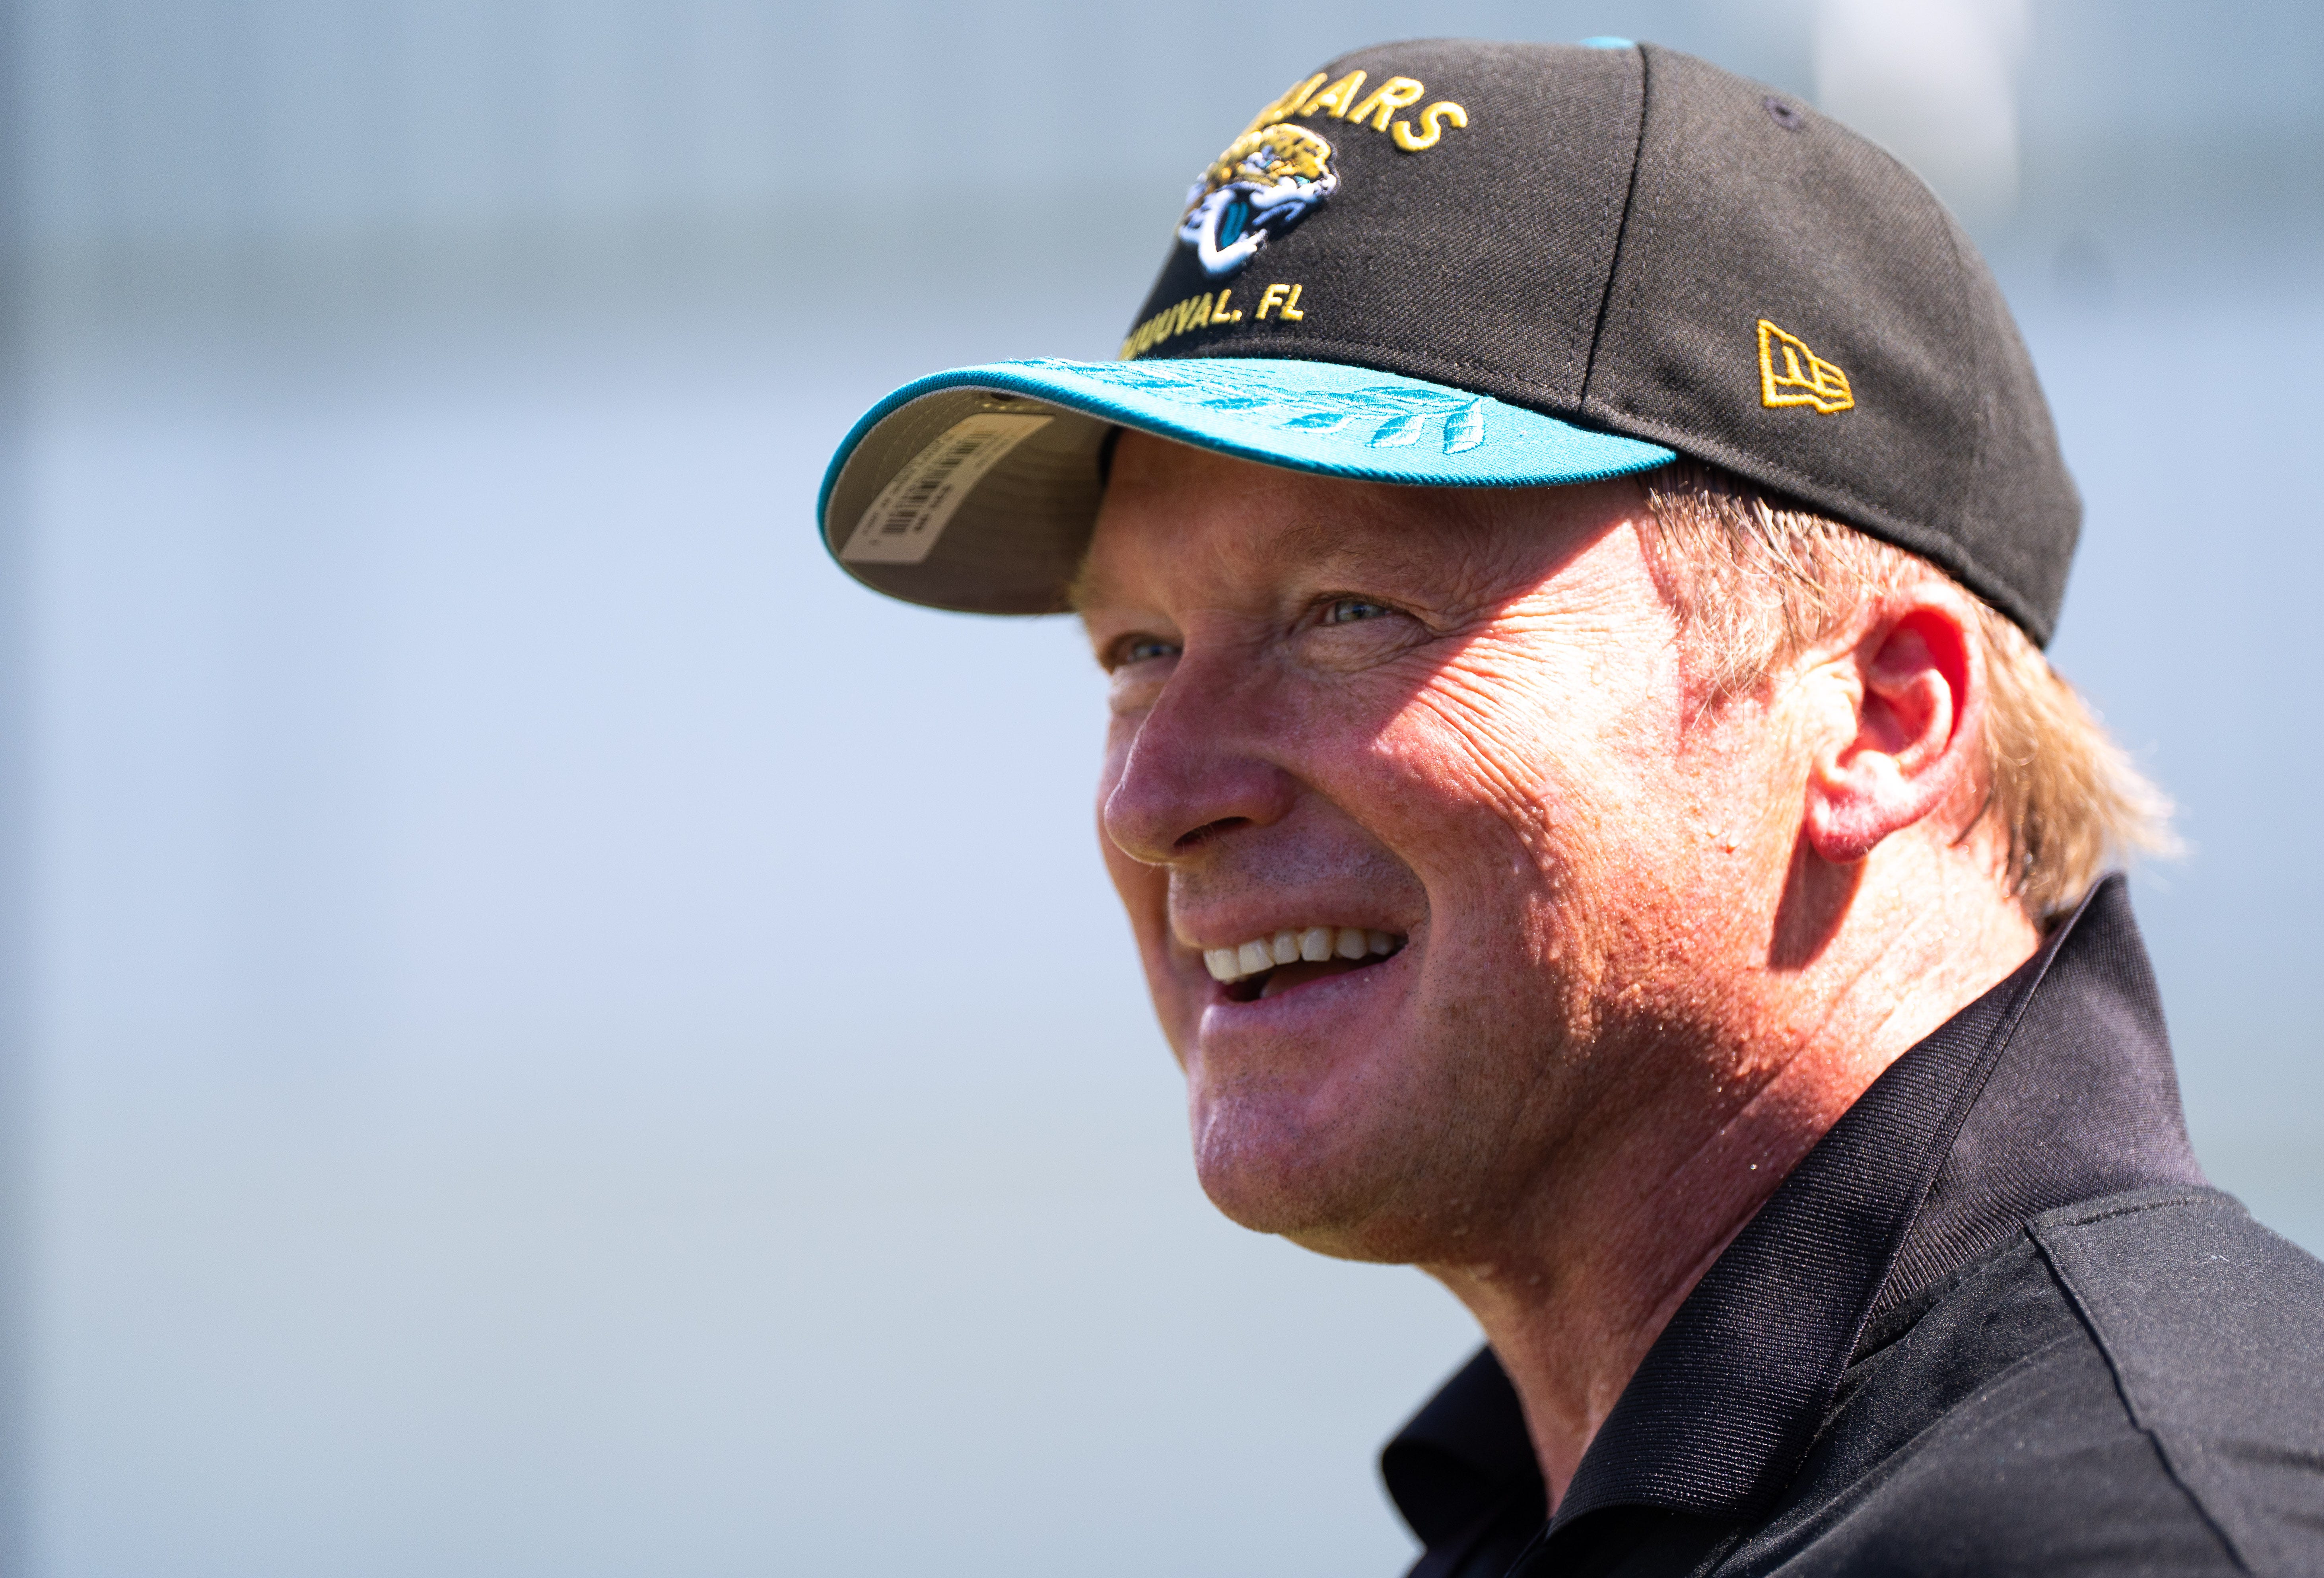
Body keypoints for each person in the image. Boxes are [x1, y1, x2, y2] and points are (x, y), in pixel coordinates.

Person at [816, 38, 2324, 1577]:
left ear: (1875, 715)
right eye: (1137, 652)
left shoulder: (2132, 1532)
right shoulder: (1591, 1504)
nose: (1154, 799)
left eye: (1347, 610)